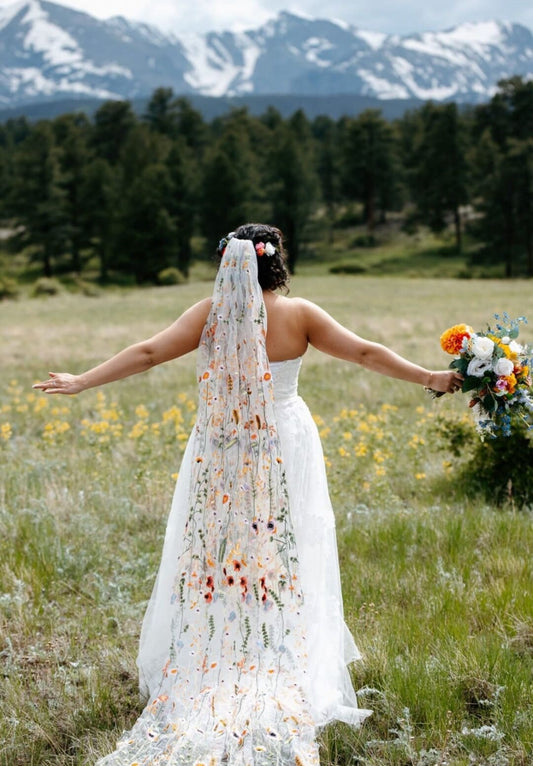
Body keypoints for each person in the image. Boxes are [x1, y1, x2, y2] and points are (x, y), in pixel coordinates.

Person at [34, 223, 462, 766]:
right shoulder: (300, 313)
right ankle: (281, 657)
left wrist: (81, 380)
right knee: (287, 550)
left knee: (219, 553)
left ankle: (222, 654)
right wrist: (429, 375)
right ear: (277, 261)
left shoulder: (210, 311)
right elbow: (365, 353)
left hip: (221, 443)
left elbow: (145, 354)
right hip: (285, 440)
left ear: (228, 263)